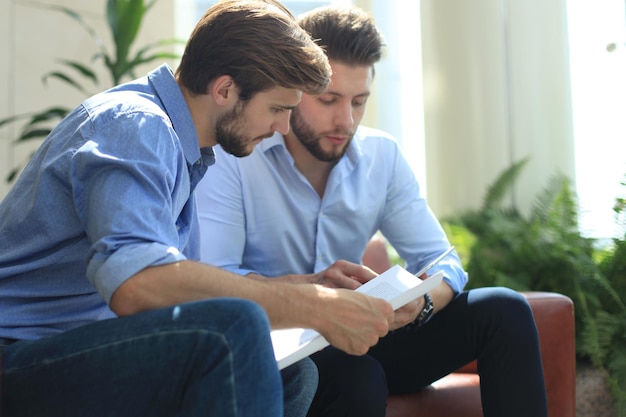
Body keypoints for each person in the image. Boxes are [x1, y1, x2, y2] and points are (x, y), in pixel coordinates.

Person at [0, 2, 397, 416]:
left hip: (72, 347)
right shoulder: (137, 126)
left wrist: (307, 286)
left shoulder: (183, 148)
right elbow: (137, 282)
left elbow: (182, 287)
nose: (282, 127)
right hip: (19, 356)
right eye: (278, 108)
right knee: (232, 328)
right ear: (225, 90)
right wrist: (315, 306)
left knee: (295, 374)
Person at [196, 5, 549, 417]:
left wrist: (423, 304)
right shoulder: (236, 159)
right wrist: (312, 293)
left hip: (366, 335)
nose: (345, 120)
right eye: (329, 99)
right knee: (354, 374)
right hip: (282, 346)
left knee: (504, 310)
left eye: (359, 102)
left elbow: (442, 261)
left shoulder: (383, 157)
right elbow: (215, 281)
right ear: (292, 91)